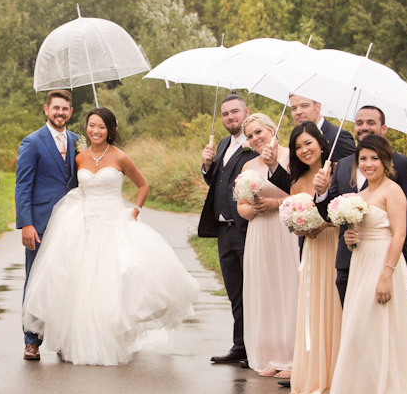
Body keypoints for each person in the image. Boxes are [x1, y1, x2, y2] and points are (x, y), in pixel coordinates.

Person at [22, 108, 199, 366]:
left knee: (118, 278)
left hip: (114, 221)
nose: (95, 131)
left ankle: (113, 335)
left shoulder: (120, 157)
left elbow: (143, 185)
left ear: (110, 130)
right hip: (83, 223)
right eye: (91, 125)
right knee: (77, 282)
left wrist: (135, 211)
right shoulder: (79, 157)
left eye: (101, 127)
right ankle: (77, 341)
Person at [322, 135, 407, 394]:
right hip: (361, 263)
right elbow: (354, 235)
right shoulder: (358, 197)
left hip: (383, 264)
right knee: (358, 329)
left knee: (380, 328)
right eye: (363, 159)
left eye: (374, 158)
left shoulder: (393, 191)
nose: (368, 164)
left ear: (386, 161)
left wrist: (386, 276)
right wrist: (350, 238)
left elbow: (399, 234)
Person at [313, 105, 407, 305]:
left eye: (371, 122)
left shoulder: (403, 165)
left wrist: (397, 269)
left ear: (384, 128)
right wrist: (321, 192)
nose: (364, 127)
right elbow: (330, 215)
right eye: (360, 123)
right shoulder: (344, 164)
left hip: (385, 263)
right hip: (348, 263)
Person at [16, 89, 79, 361]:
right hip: (41, 225)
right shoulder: (32, 142)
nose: (60, 113)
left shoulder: (80, 141)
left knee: (67, 282)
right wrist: (26, 224)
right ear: (46, 109)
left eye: (65, 109)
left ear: (71, 112)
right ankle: (32, 340)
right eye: (56, 108)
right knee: (36, 281)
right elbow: (23, 186)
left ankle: (64, 338)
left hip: (73, 223)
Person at [235, 113, 299, 378]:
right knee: (266, 290)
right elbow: (241, 206)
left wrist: (276, 203)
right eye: (249, 136)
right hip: (260, 232)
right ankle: (270, 354)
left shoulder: (292, 158)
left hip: (286, 229)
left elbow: (302, 194)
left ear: (273, 130)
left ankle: (292, 357)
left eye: (259, 132)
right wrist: (252, 210)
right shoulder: (248, 167)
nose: (254, 139)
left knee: (289, 288)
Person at [198, 93, 257, 365]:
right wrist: (208, 164)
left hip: (247, 228)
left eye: (234, 112)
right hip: (224, 230)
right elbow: (217, 181)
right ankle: (239, 345)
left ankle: (256, 348)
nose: (230, 117)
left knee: (253, 290)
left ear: (245, 112)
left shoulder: (255, 143)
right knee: (234, 291)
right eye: (225, 114)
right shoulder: (222, 144)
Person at [286, 122, 341, 394]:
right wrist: (300, 227)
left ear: (320, 143)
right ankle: (314, 378)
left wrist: (324, 225)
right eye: (297, 146)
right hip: (310, 250)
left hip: (332, 247)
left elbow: (342, 214)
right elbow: (293, 221)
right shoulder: (296, 181)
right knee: (312, 309)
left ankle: (334, 379)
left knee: (332, 308)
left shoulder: (338, 173)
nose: (304, 150)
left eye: (308, 143)